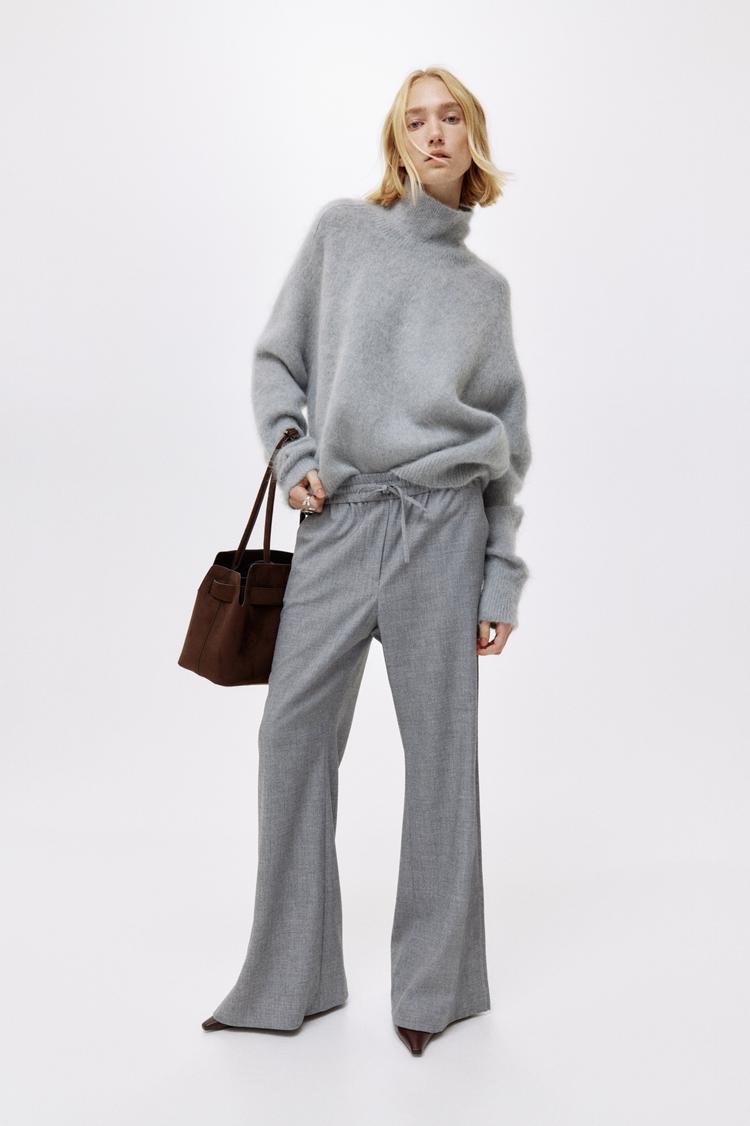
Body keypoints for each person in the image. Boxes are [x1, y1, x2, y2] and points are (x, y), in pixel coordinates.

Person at [202, 65, 532, 1057]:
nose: (433, 134)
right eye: (415, 120)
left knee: (442, 760)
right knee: (290, 737)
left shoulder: (485, 293)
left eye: (450, 119)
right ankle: (291, 978)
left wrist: (501, 575)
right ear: (397, 141)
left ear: (472, 138)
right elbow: (277, 359)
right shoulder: (342, 234)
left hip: (445, 528)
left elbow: (507, 447)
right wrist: (293, 452)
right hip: (341, 521)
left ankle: (437, 989)